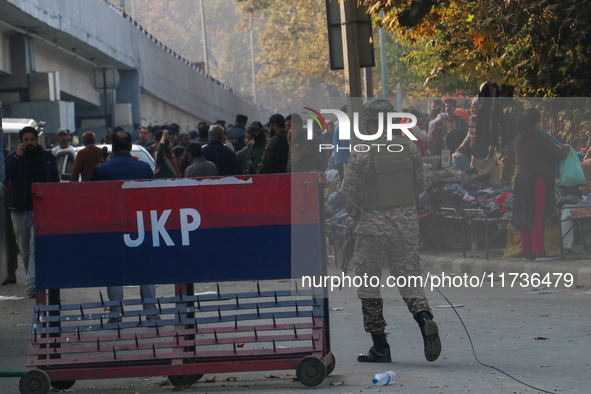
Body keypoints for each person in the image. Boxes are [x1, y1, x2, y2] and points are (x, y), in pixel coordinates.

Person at [341, 98, 441, 363]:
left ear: (368, 122)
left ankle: (380, 346)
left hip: (371, 229)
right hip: (406, 226)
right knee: (410, 281)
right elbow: (420, 185)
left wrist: (355, 218)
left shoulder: (361, 151)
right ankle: (424, 318)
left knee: (370, 286)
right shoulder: (409, 147)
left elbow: (347, 194)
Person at [91, 131, 157, 322]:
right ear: (130, 146)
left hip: (111, 226)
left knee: (114, 270)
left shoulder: (101, 170)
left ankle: (116, 314)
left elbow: (92, 199)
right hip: (139, 225)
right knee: (145, 269)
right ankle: (150, 312)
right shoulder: (144, 168)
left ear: (112, 147)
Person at [4, 127, 60, 297]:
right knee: (25, 249)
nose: (29, 143)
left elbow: (55, 182)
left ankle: (33, 285)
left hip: (41, 209)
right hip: (20, 209)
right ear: (22, 141)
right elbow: (5, 174)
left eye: (32, 139)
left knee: (36, 248)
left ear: (37, 140)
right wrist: (17, 156)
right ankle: (33, 279)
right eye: (26, 140)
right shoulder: (15, 157)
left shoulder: (48, 158)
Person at [512, 108, 569, 262]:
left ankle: (527, 252)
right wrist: (567, 147)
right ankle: (539, 252)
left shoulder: (518, 140)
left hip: (521, 181)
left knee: (524, 217)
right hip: (537, 182)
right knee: (537, 217)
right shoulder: (539, 140)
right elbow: (560, 154)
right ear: (535, 123)